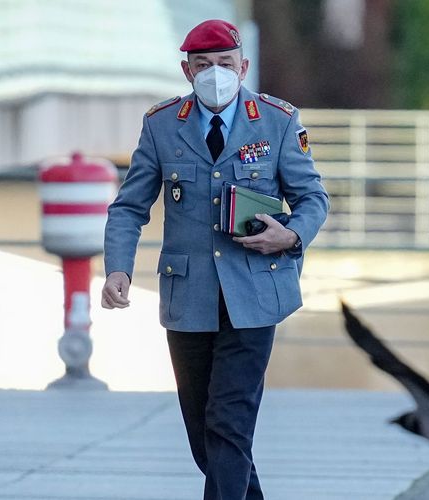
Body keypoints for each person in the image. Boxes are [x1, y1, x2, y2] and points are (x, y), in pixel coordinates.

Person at [101, 19, 329, 500]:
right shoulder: (163, 125)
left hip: (255, 293)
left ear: (243, 66)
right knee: (205, 434)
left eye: (225, 64)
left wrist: (288, 235)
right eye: (203, 65)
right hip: (189, 297)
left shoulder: (277, 120)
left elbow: (313, 198)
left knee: (229, 421)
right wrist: (117, 269)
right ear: (187, 71)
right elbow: (129, 206)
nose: (215, 73)